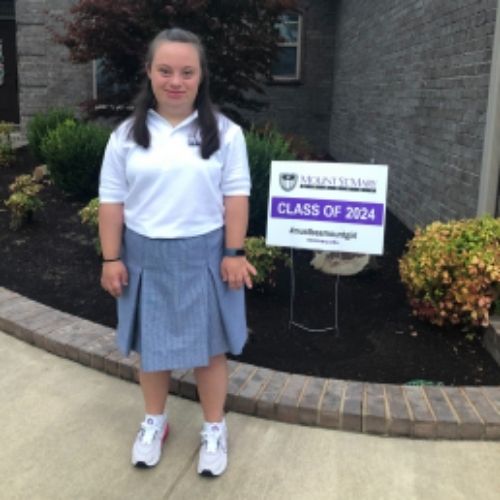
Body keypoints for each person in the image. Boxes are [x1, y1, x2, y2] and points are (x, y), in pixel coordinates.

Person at [98, 27, 256, 477]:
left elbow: (236, 197)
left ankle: (213, 427)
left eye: (187, 72)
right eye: (165, 70)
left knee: (211, 351)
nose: (176, 81)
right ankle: (154, 422)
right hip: (144, 257)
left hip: (207, 255)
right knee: (154, 349)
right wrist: (111, 258)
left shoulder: (226, 134)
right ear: (148, 72)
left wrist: (234, 250)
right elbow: (112, 202)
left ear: (200, 76)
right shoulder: (126, 135)